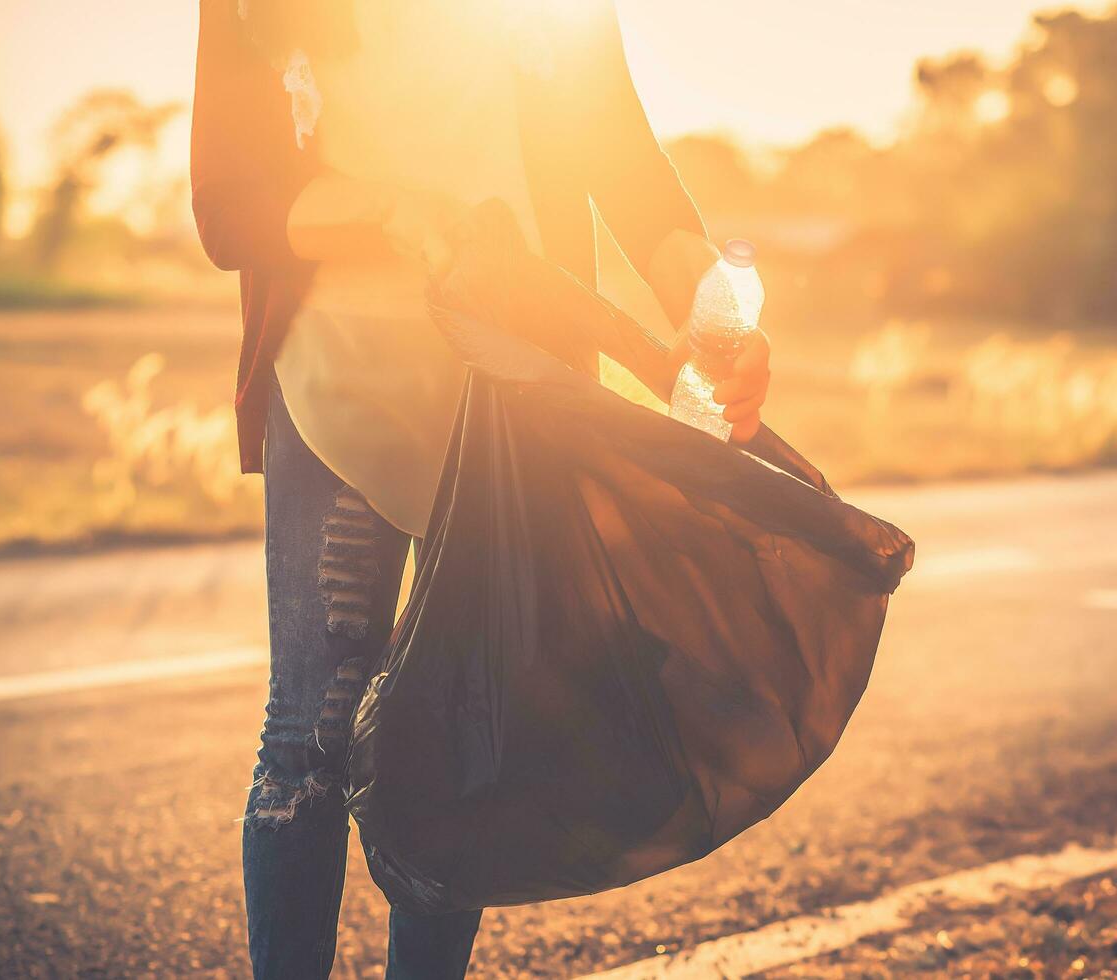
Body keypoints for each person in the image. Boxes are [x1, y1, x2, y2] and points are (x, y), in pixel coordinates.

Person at [191, 1, 772, 976]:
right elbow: (228, 206)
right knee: (311, 734)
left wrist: (709, 309)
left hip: (511, 387)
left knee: (465, 733)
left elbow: (620, 159)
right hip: (341, 377)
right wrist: (390, 207)